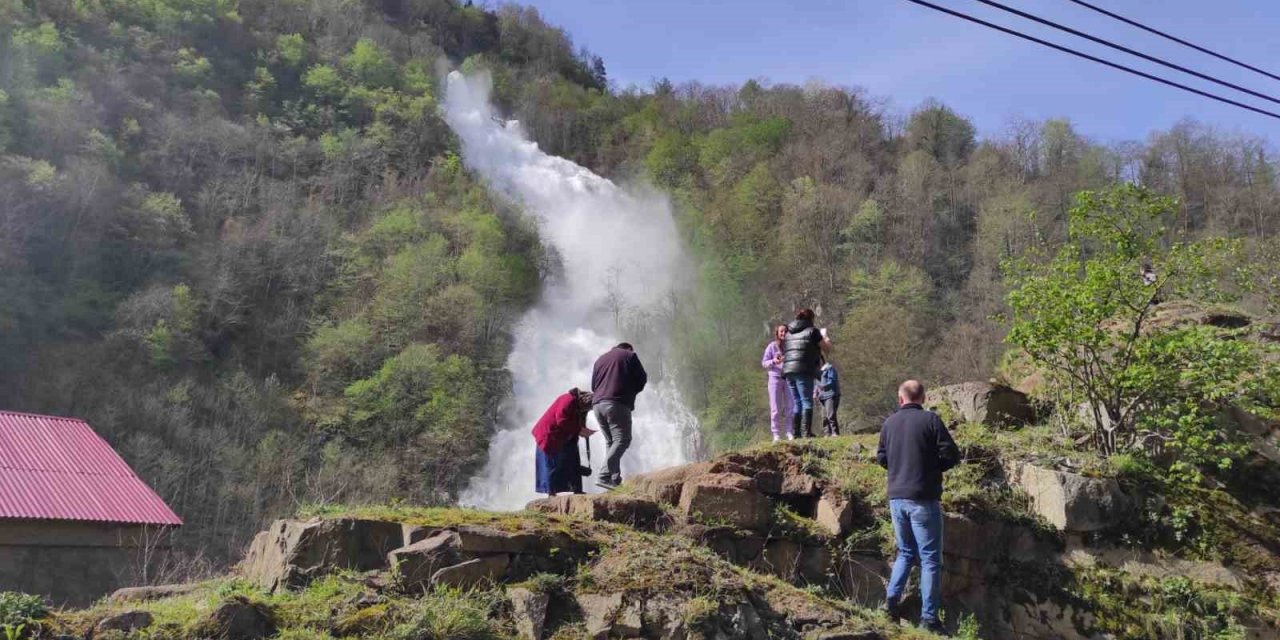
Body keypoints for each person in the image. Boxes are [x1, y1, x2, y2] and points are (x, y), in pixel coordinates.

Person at [876, 380, 960, 635]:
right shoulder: (931, 420)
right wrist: (932, 470)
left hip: (896, 498)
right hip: (923, 499)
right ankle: (929, 619)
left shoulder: (889, 423)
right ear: (922, 398)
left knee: (905, 552)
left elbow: (881, 457)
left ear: (901, 399)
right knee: (930, 559)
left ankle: (890, 605)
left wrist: (900, 470)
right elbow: (952, 455)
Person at [591, 342, 648, 490]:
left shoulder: (599, 360)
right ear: (628, 348)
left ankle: (614, 480)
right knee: (623, 440)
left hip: (597, 405)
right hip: (616, 403)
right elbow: (642, 378)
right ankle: (603, 476)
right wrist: (630, 390)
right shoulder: (630, 355)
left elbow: (593, 386)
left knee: (611, 442)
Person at [532, 388, 596, 496]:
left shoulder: (580, 407)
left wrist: (582, 432)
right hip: (549, 434)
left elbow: (577, 425)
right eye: (589, 407)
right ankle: (551, 494)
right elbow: (561, 420)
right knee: (552, 465)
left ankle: (577, 490)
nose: (588, 410)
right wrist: (579, 430)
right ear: (585, 401)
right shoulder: (568, 399)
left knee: (573, 459)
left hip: (563, 436)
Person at [781, 308, 831, 439]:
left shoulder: (788, 333)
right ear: (811, 319)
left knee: (797, 402)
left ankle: (797, 433)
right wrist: (825, 337)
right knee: (806, 401)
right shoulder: (813, 331)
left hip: (788, 370)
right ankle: (806, 433)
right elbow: (827, 349)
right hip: (803, 369)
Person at [761, 324, 794, 442]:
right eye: (781, 331)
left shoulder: (791, 347)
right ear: (777, 333)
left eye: (785, 331)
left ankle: (789, 432)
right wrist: (773, 361)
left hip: (789, 378)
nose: (783, 333)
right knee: (775, 408)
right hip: (775, 378)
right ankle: (776, 434)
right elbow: (764, 362)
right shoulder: (772, 346)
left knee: (790, 406)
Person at [816, 356, 841, 437]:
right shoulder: (817, 372)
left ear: (821, 360)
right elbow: (816, 384)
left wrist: (825, 386)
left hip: (831, 395)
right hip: (822, 397)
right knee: (824, 416)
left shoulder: (829, 368)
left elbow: (832, 380)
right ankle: (827, 434)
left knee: (831, 415)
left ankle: (835, 433)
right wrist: (815, 392)